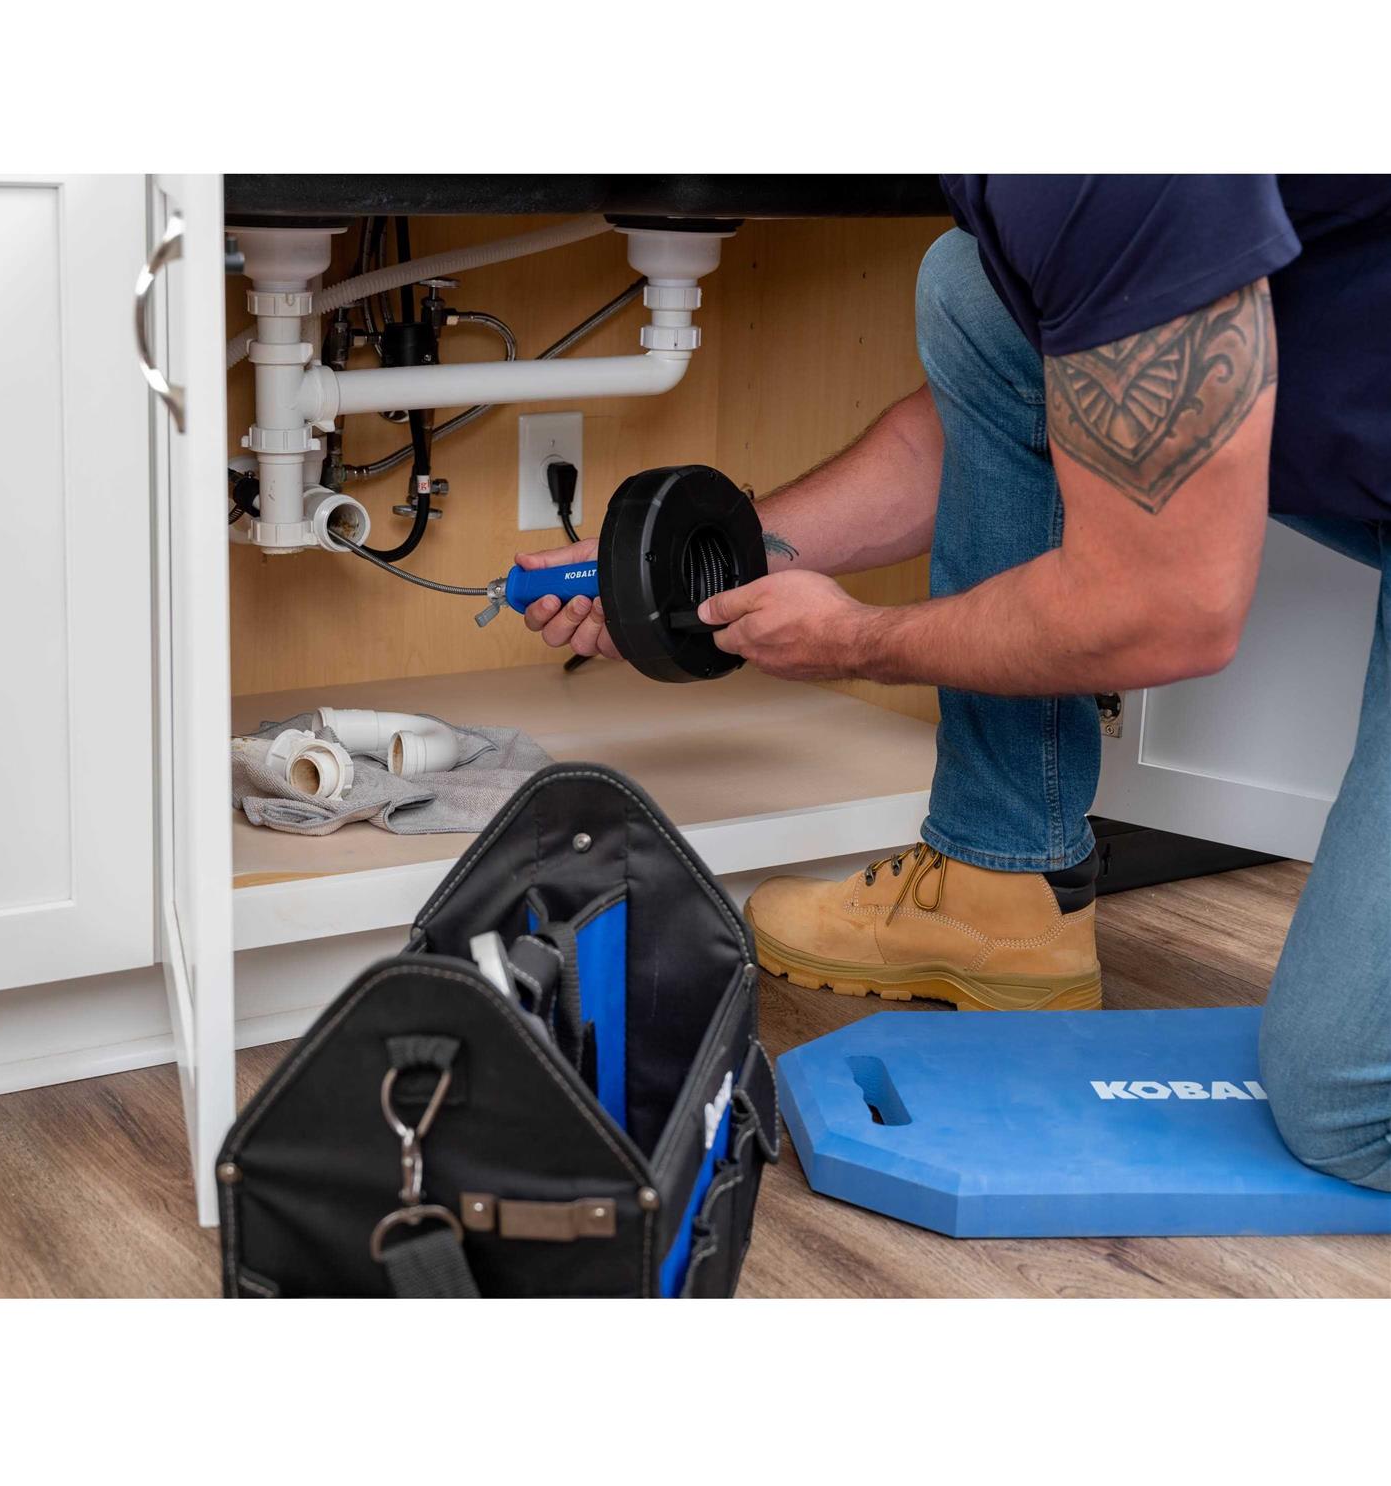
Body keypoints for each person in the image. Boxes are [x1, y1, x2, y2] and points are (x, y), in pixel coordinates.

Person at [516, 176, 1391, 1192]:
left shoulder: (1097, 162)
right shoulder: (1031, 173)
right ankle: (999, 889)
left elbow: (1168, 608)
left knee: (1343, 1107)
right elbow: (1002, 410)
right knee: (980, 296)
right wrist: (707, 566)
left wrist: (854, 640)